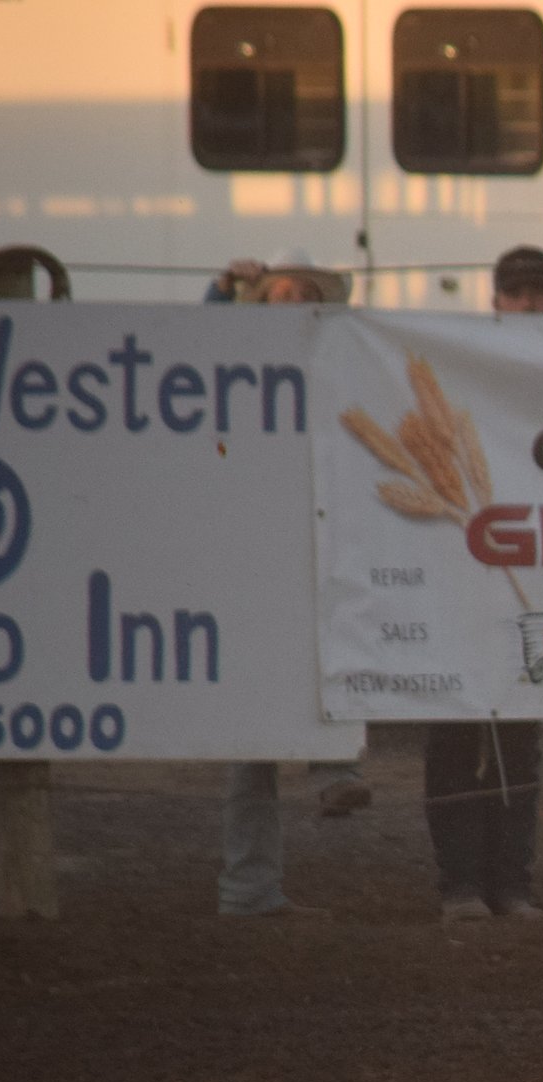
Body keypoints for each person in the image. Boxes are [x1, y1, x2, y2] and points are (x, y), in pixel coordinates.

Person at [213, 255, 367, 917]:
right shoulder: (224, 364)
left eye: (305, 295)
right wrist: (219, 293)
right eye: (281, 294)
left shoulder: (335, 364)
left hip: (310, 543)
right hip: (250, 551)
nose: (294, 302)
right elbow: (177, 357)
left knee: (334, 656)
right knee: (255, 721)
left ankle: (335, 773)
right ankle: (249, 886)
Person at [424, 246, 543, 921]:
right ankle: (459, 884)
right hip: (462, 557)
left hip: (539, 570)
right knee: (454, 729)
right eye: (519, 294)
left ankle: (511, 882)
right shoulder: (464, 358)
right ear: (497, 300)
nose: (530, 305)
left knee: (516, 741)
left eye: (540, 293)